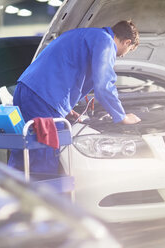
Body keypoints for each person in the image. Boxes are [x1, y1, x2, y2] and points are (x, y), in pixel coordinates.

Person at [8, 20, 141, 174]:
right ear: (127, 42)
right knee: (44, 153)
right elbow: (104, 85)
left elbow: (65, 68)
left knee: (23, 151)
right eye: (129, 50)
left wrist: (66, 109)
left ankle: (12, 192)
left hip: (27, 89)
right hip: (44, 97)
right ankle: (43, 196)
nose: (124, 55)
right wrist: (121, 116)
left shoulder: (86, 35)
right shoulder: (106, 42)